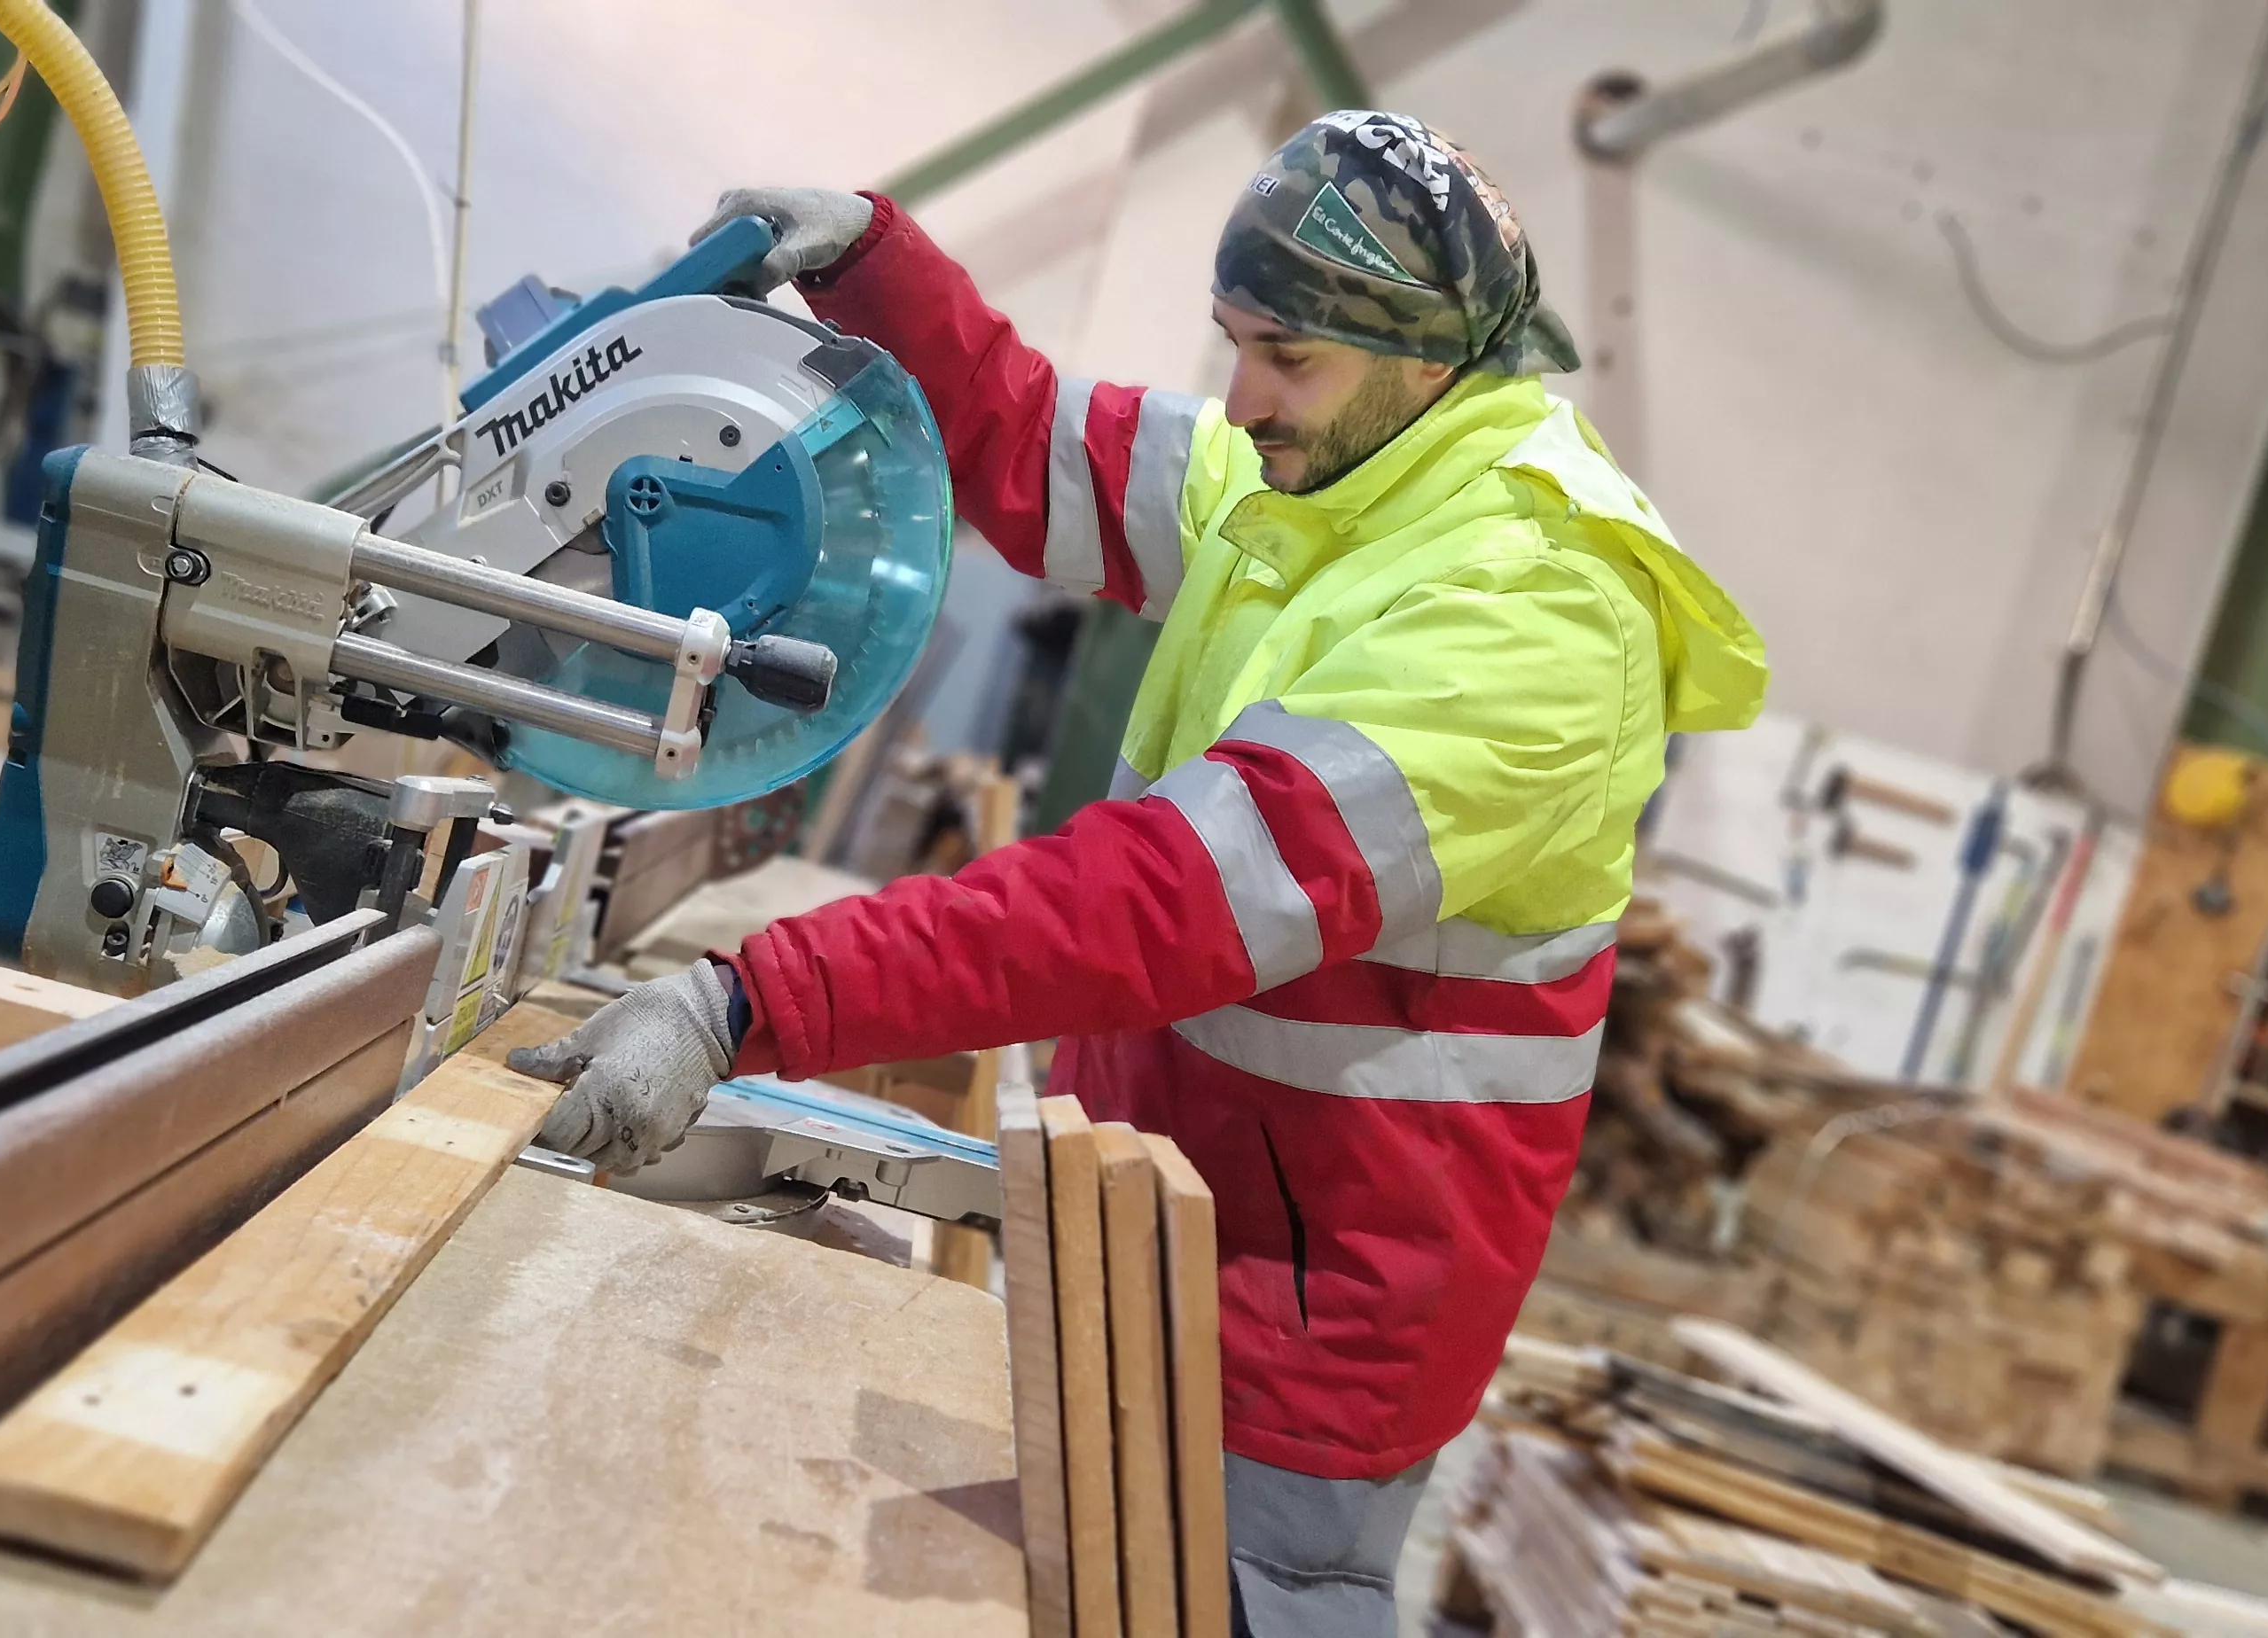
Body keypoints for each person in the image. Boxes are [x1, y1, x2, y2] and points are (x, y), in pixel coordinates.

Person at [510, 111, 1767, 1634]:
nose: (1245, 399)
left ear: (1430, 360)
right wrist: (875, 269)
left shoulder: (1534, 614)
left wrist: (747, 1002)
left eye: (1287, 357)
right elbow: (1046, 447)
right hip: (1163, 1220)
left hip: (1308, 1319)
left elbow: (1155, 906)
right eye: (1235, 343)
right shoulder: (1330, 470)